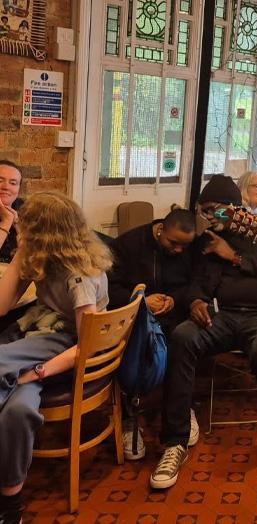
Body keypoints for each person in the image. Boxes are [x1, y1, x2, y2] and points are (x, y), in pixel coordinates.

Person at [149, 175, 257, 490]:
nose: (208, 217)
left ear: (234, 208)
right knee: (182, 337)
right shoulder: (206, 240)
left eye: (216, 210)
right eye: (204, 211)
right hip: (221, 315)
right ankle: (174, 442)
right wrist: (195, 301)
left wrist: (234, 256)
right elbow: (195, 281)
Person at [0, 192, 112, 523]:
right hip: (40, 334)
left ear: (43, 233)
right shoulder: (39, 257)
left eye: (25, 227)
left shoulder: (79, 277)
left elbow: (87, 345)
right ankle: (12, 504)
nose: (19, 229)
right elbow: (2, 307)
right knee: (18, 410)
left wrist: (37, 372)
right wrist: (22, 255)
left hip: (66, 349)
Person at [107, 208, 198, 461]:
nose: (179, 250)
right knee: (125, 347)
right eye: (173, 243)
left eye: (184, 245)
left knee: (184, 341)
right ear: (161, 230)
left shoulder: (190, 249)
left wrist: (175, 299)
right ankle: (128, 418)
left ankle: (181, 408)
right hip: (133, 313)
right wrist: (141, 300)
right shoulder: (128, 244)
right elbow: (107, 287)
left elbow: (194, 284)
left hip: (173, 313)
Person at [0, 160, 23, 263]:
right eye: (0, 181)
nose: (6, 187)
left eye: (13, 183)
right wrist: (6, 221)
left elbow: (36, 258)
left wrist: (18, 226)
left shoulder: (27, 210)